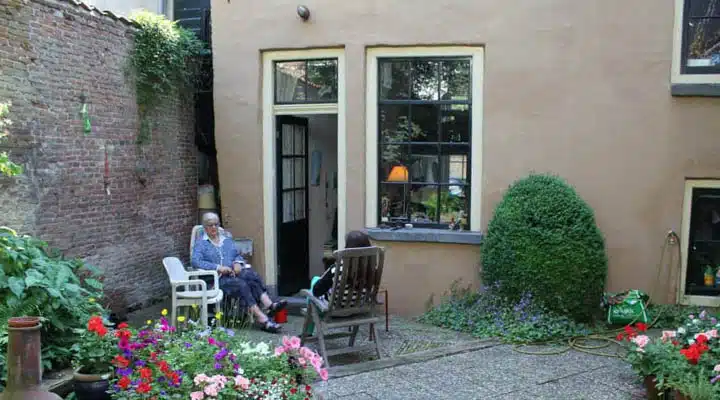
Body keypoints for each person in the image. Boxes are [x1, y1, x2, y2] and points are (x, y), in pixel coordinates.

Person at [192, 212, 287, 333]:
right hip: (215, 280)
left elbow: (236, 255)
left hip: (231, 275)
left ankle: (269, 305)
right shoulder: (201, 244)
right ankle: (263, 319)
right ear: (204, 227)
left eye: (216, 224)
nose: (214, 227)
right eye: (210, 225)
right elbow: (195, 261)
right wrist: (217, 267)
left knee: (250, 274)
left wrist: (237, 263)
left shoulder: (226, 240)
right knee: (241, 284)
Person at [304, 230, 373, 335]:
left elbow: (316, 292)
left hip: (335, 311)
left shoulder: (338, 269)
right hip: (359, 309)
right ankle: (308, 329)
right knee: (318, 281)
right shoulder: (371, 269)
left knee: (314, 283)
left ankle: (307, 331)